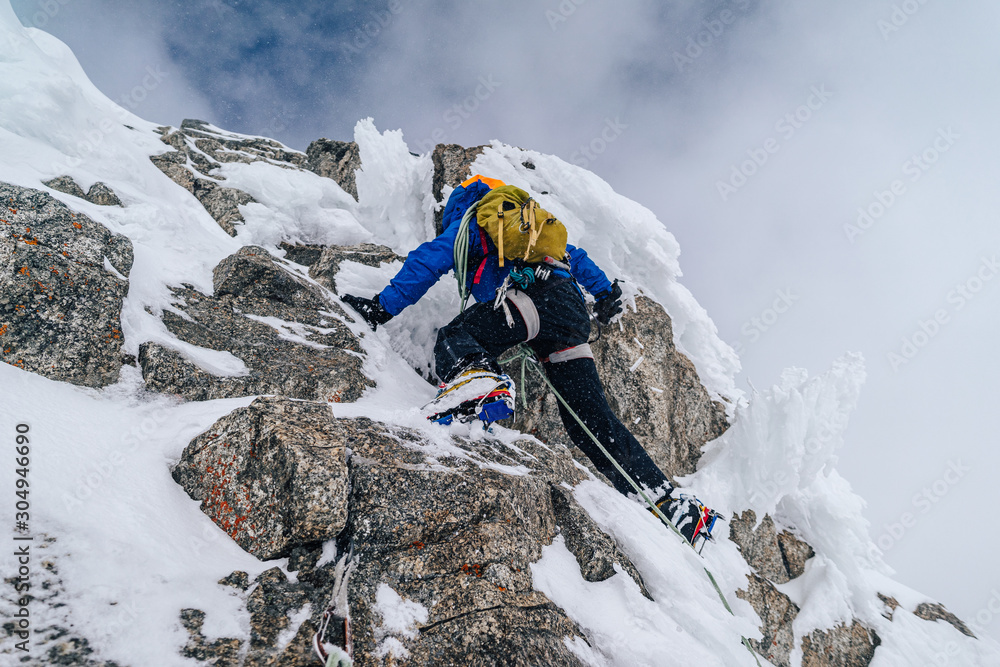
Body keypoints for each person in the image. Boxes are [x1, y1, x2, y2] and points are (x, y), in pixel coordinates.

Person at [343, 175, 716, 544]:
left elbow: (428, 262)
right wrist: (604, 292)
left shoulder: (471, 224)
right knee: (589, 422)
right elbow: (576, 256)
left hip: (535, 300)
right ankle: (669, 502)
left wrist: (379, 308)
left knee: (457, 337)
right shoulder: (533, 230)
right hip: (570, 315)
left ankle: (479, 385)